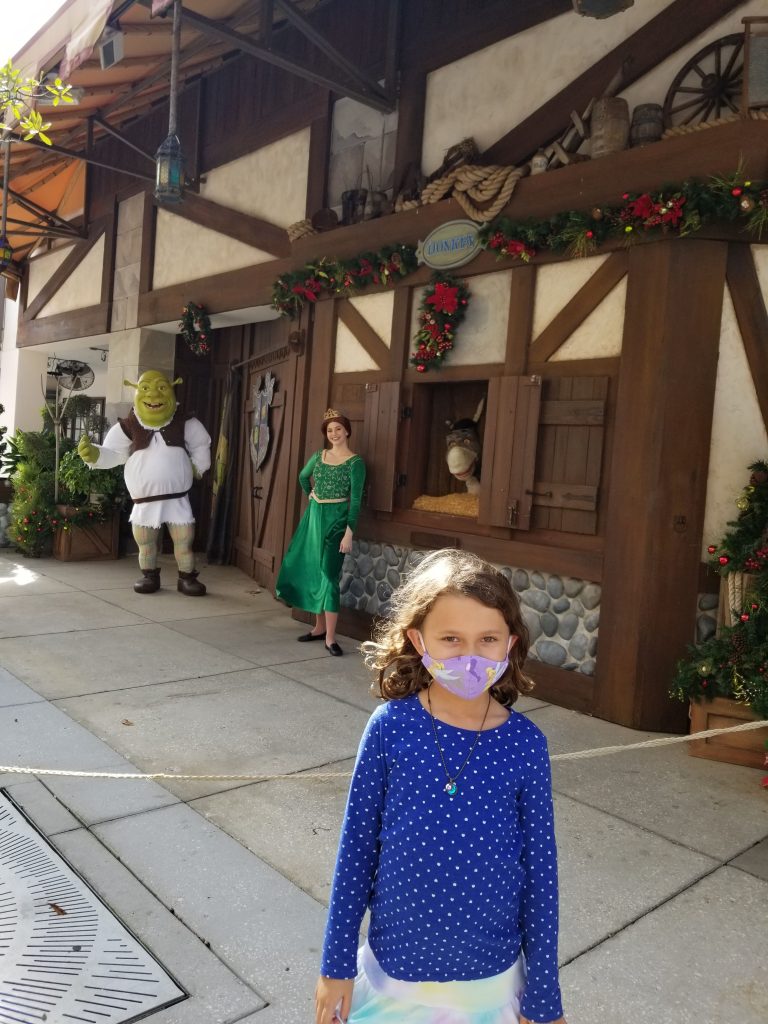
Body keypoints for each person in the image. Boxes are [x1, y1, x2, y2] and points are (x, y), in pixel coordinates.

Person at [315, 548, 566, 1024]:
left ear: (509, 643)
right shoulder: (391, 727)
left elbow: (540, 876)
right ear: (417, 638)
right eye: (451, 638)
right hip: (393, 984)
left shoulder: (525, 744)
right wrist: (336, 965)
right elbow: (356, 853)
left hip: (491, 990)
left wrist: (544, 996)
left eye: (487, 639)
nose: (470, 656)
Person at [78, 370, 211, 596]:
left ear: (172, 390)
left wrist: (199, 466)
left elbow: (201, 444)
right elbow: (114, 453)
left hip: (178, 500)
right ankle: (149, 576)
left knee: (184, 542)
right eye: (146, 388)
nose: (154, 395)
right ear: (136, 392)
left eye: (161, 387)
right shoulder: (128, 425)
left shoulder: (185, 421)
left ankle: (187, 578)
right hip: (144, 502)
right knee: (146, 544)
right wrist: (94, 454)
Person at [276, 409, 366, 657]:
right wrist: (311, 495)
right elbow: (302, 477)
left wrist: (349, 533)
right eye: (329, 430)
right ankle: (319, 628)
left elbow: (356, 500)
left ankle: (330, 638)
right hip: (314, 518)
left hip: (337, 522)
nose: (334, 434)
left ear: (347, 431)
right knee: (315, 571)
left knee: (329, 575)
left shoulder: (355, 463)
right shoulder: (319, 456)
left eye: (338, 429)